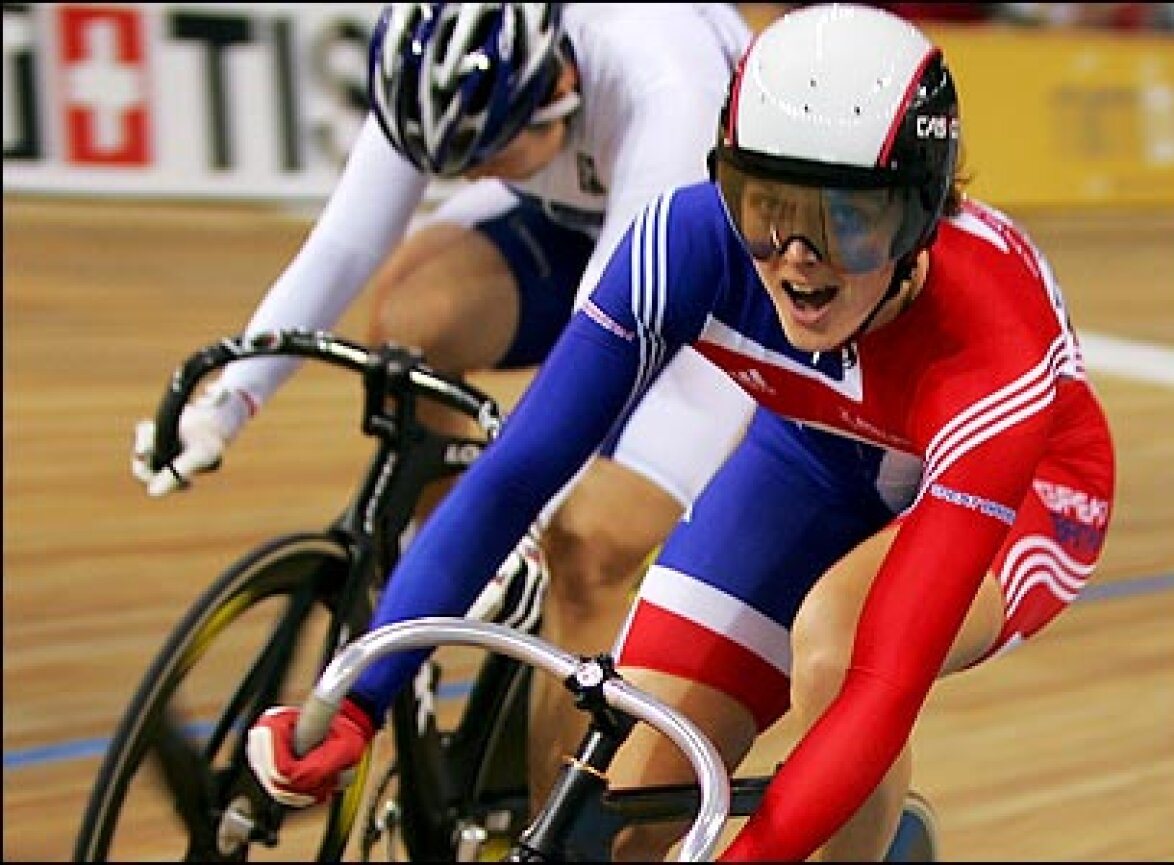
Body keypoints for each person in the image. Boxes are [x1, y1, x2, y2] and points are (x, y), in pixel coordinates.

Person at [245, 3, 1116, 861]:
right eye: (766, 204)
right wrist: (360, 700)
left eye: (850, 219)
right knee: (627, 816)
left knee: (838, 650)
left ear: (922, 213)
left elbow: (882, 686)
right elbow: (516, 477)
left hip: (1032, 487)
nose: (798, 257)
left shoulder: (992, 336)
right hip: (816, 457)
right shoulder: (686, 240)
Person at [130, 2, 758, 804]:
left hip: (705, 275)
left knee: (589, 545)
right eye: (451, 161)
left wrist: (533, 516)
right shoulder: (449, 69)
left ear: (560, 86)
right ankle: (459, 588)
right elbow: (347, 243)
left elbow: (601, 353)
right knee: (409, 319)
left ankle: (557, 828)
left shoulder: (664, 81)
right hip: (575, 218)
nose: (468, 177)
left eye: (488, 154)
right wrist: (232, 399)